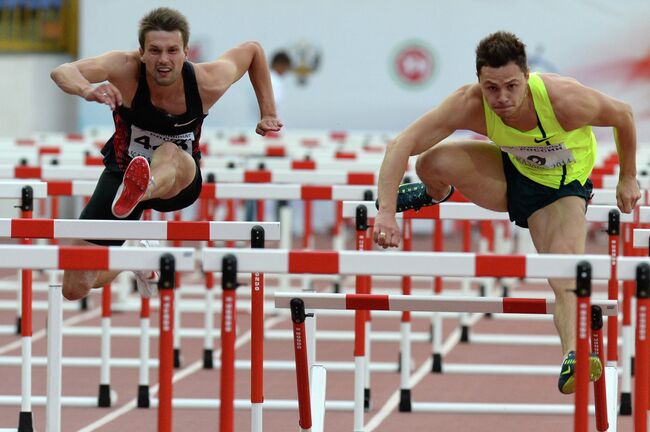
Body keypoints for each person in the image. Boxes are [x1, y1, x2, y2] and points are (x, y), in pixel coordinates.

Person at [373, 31, 640, 395]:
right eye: (491, 88)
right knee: (431, 160)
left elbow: (623, 115)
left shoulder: (565, 100)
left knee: (564, 271)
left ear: (527, 78)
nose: (501, 98)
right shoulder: (468, 102)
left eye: (511, 86)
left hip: (560, 190)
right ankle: (437, 193)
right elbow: (400, 144)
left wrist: (627, 177)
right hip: (512, 172)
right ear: (479, 81)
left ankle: (574, 355)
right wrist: (386, 213)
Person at [50, 7, 282, 300]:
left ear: (186, 51)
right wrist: (86, 90)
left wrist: (268, 112)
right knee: (76, 287)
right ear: (141, 53)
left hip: (178, 180)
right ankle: (135, 258)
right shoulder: (124, 68)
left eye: (172, 50)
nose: (164, 60)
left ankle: (142, 188)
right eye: (155, 51)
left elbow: (253, 51)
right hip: (122, 173)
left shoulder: (207, 80)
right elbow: (62, 71)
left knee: (169, 152)